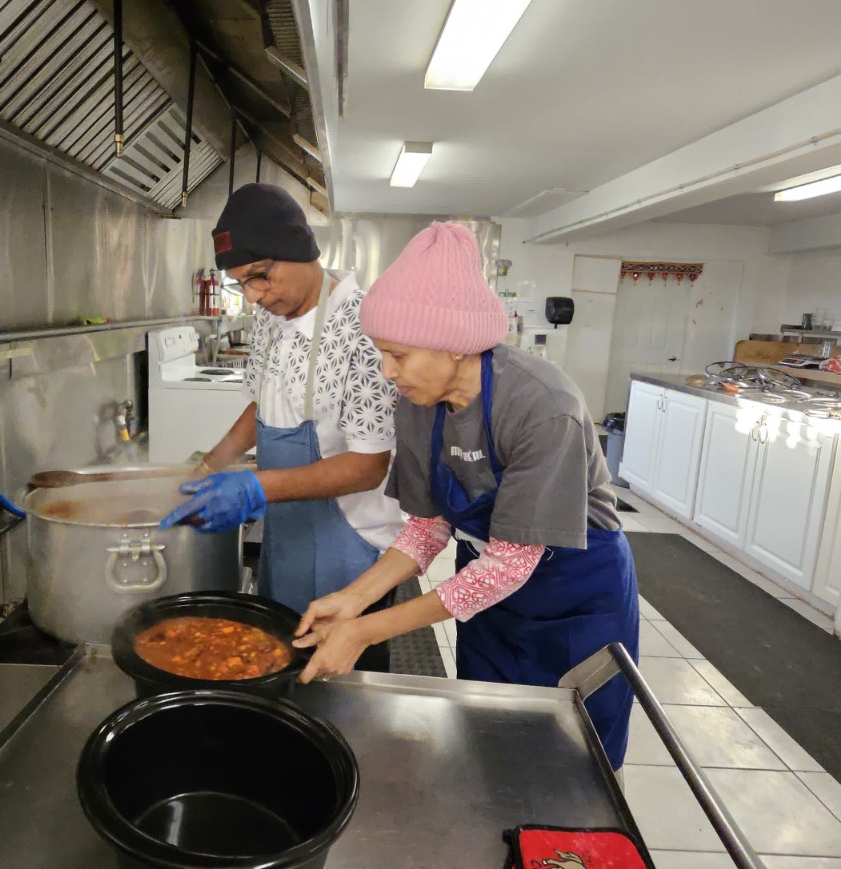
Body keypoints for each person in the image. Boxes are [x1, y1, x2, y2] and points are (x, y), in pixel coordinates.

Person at [291, 222, 639, 766]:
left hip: (573, 595)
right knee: (488, 735)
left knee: (569, 757)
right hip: (486, 591)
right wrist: (352, 599)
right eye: (382, 353)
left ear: (455, 346)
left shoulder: (543, 407)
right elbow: (430, 527)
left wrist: (366, 630)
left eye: (399, 355)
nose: (388, 372)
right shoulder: (417, 402)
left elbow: (509, 567)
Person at [160, 183, 403, 671]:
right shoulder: (271, 318)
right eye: (241, 285)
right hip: (287, 531)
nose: (254, 296)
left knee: (342, 688)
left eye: (260, 276)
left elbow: (368, 465)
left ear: (300, 251)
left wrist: (254, 487)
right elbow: (263, 407)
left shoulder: (365, 327)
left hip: (352, 548)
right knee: (280, 666)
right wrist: (210, 466)